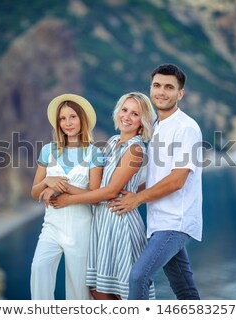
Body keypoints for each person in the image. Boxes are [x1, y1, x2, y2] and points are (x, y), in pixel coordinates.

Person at [108, 64, 203, 300]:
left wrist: (137, 200)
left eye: (169, 87)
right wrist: (127, 192)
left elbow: (177, 180)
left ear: (180, 93)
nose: (161, 92)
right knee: (184, 288)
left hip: (175, 221)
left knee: (138, 276)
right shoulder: (157, 126)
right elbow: (156, 176)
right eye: (157, 85)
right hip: (158, 221)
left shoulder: (186, 127)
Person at [50, 92, 157, 300]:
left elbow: (109, 191)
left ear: (142, 122)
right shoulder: (113, 141)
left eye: (135, 114)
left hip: (120, 223)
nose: (127, 116)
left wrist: (68, 199)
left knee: (123, 293)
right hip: (102, 223)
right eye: (124, 110)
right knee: (98, 289)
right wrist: (59, 185)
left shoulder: (135, 149)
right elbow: (95, 187)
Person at [30, 93, 103, 300]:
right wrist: (47, 182)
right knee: (39, 268)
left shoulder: (94, 153)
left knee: (78, 287)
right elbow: (35, 192)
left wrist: (63, 187)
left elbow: (96, 197)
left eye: (73, 117)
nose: (67, 123)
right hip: (51, 226)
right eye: (62, 118)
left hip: (80, 228)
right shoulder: (48, 151)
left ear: (82, 120)